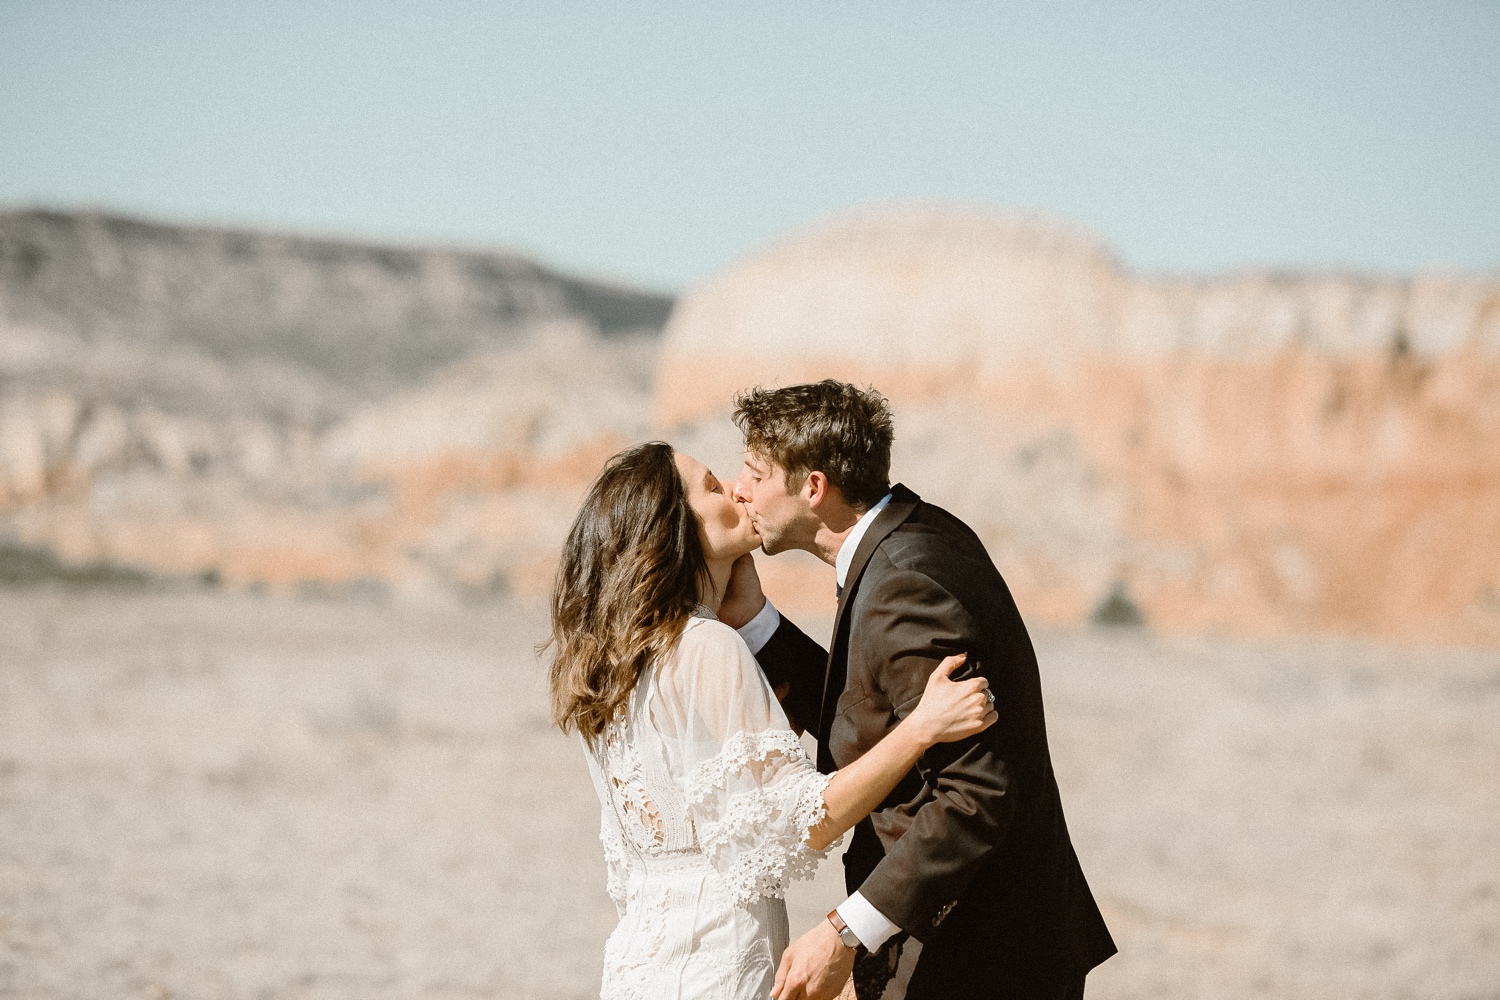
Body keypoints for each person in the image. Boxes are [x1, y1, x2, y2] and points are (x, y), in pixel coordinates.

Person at [547, 441, 999, 1000]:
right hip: (719, 965)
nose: (736, 491)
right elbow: (798, 824)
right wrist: (921, 728)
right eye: (712, 486)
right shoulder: (706, 646)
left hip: (643, 967)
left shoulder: (620, 660)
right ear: (670, 529)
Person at [721, 381, 1117, 1000]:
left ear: (813, 488)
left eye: (753, 471)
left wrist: (845, 931)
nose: (738, 488)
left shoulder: (903, 581)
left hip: (982, 956)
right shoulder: (912, 538)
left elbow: (977, 792)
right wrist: (756, 622)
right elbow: (869, 709)